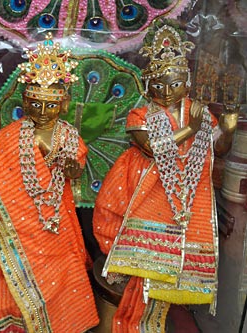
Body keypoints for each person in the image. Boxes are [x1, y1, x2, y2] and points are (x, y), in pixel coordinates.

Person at [93, 22, 238, 332]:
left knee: (178, 252)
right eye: (160, 85)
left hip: (186, 192)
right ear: (149, 85)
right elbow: (153, 147)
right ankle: (139, 266)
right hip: (143, 186)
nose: (167, 92)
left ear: (186, 82)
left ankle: (172, 272)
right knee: (125, 229)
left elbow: (220, 149)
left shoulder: (195, 109)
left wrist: (228, 126)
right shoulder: (143, 114)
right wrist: (191, 128)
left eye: (175, 84)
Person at [0, 33, 99, 333]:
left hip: (55, 220)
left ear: (64, 104)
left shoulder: (68, 135)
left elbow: (75, 170)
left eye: (50, 106)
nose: (42, 113)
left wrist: (68, 165)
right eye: (35, 105)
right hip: (15, 224)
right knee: (7, 272)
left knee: (64, 269)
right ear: (24, 101)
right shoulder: (13, 135)